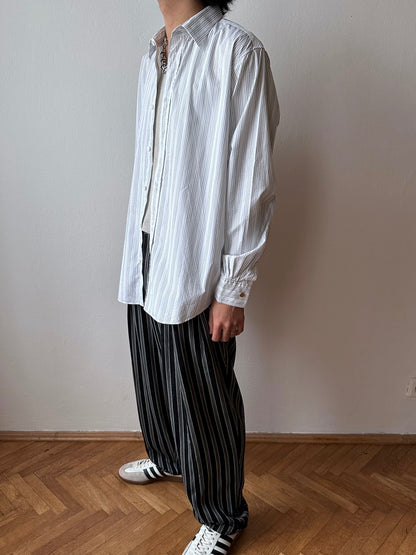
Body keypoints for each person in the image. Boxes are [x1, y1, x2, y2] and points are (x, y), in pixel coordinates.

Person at [117, 0, 280, 553]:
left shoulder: (238, 53)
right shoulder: (153, 54)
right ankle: (169, 456)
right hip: (147, 242)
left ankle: (223, 516)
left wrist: (233, 287)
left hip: (197, 254)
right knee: (152, 367)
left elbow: (252, 180)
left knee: (203, 390)